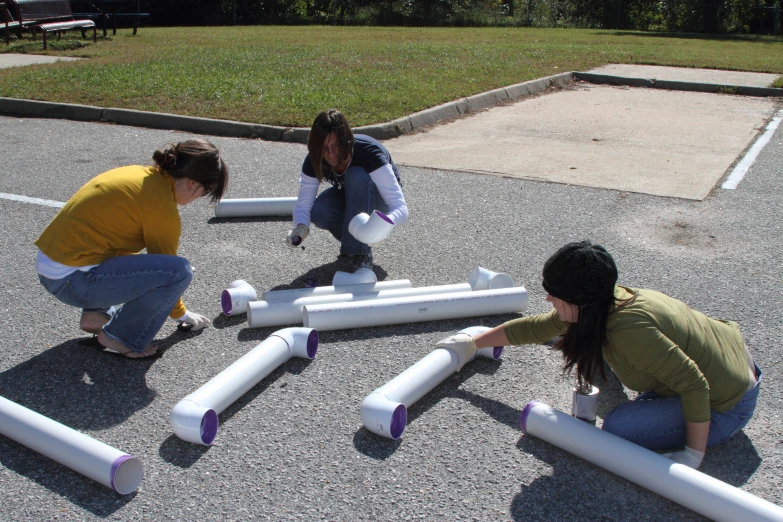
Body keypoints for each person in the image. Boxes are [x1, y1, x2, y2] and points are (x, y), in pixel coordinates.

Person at [436, 240, 760, 469]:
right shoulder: (605, 301)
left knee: (619, 428)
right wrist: (474, 342)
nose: (547, 298)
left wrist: (692, 455)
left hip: (728, 402)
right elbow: (535, 328)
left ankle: (703, 432)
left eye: (554, 294)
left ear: (578, 302)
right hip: (732, 357)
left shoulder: (629, 332)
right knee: (590, 350)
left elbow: (694, 384)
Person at [35, 139, 229, 358]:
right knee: (179, 271)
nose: (198, 198)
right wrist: (183, 316)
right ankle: (120, 338)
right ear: (193, 184)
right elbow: (169, 273)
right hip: (72, 280)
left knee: (145, 262)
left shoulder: (140, 176)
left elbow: (123, 249)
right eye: (205, 191)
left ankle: (96, 315)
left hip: (53, 269)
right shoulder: (161, 207)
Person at [286, 109, 409, 270]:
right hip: (354, 198)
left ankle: (358, 254)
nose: (330, 154)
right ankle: (356, 248)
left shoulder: (368, 152)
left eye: (335, 146)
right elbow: (304, 204)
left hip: (380, 204)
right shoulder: (315, 159)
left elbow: (400, 207)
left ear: (345, 141)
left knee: (356, 174)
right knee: (320, 211)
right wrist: (300, 228)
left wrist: (381, 227)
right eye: (324, 148)